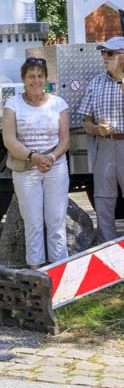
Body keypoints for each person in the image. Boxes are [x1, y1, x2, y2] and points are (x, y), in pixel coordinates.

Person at [2, 57, 71, 267]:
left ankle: (60, 268)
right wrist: (34, 157)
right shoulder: (12, 104)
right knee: (33, 223)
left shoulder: (58, 103)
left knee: (56, 221)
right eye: (31, 76)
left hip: (55, 167)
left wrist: (51, 157)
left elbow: (65, 140)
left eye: (40, 76)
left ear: (46, 79)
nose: (36, 80)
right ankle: (37, 269)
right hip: (26, 170)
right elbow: (9, 140)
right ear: (23, 79)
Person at [77, 37, 124, 243]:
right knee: (103, 198)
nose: (105, 57)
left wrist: (120, 77)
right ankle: (107, 247)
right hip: (103, 145)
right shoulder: (96, 83)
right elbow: (86, 122)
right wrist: (96, 129)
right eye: (103, 53)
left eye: (110, 53)